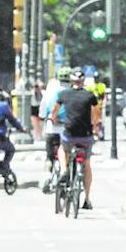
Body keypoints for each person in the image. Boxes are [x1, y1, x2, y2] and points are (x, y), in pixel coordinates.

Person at [51, 69, 101, 209]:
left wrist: (52, 119)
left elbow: (54, 110)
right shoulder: (90, 95)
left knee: (62, 149)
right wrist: (96, 128)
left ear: (71, 81)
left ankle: (63, 170)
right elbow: (96, 114)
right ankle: (87, 198)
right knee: (87, 163)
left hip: (70, 134)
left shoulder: (63, 94)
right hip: (86, 135)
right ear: (83, 81)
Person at [39, 67, 68, 193]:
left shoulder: (51, 90)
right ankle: (65, 173)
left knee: (49, 157)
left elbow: (42, 109)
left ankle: (46, 178)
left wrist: (43, 118)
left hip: (51, 129)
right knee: (67, 155)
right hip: (67, 131)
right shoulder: (72, 91)